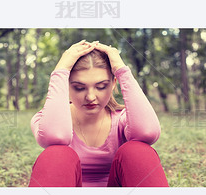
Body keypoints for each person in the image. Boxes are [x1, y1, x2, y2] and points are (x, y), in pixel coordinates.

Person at [29, 40, 169, 187]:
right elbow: (54, 136)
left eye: (101, 87)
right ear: (67, 86)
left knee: (138, 151)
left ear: (114, 83)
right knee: (56, 154)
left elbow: (148, 133)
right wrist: (61, 70)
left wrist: (122, 70)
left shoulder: (123, 120)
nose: (90, 97)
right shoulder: (44, 119)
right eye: (79, 87)